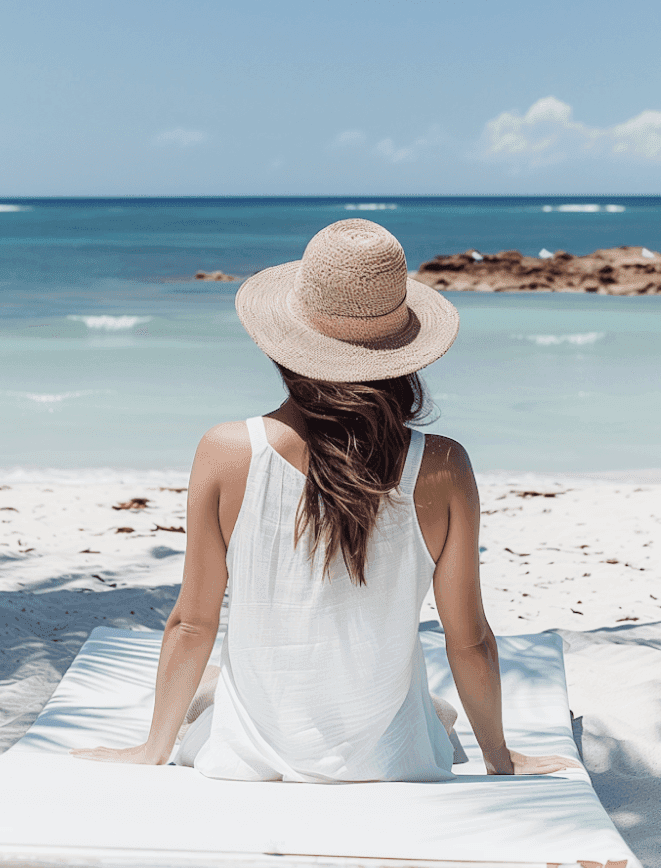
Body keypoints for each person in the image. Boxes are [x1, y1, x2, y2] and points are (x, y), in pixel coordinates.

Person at [71, 219, 581, 779]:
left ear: (285, 346)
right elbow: (470, 640)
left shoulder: (226, 451)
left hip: (246, 758)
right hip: (396, 758)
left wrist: (153, 749)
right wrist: (499, 759)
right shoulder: (442, 464)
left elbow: (192, 624)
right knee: (431, 711)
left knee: (218, 690)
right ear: (403, 354)